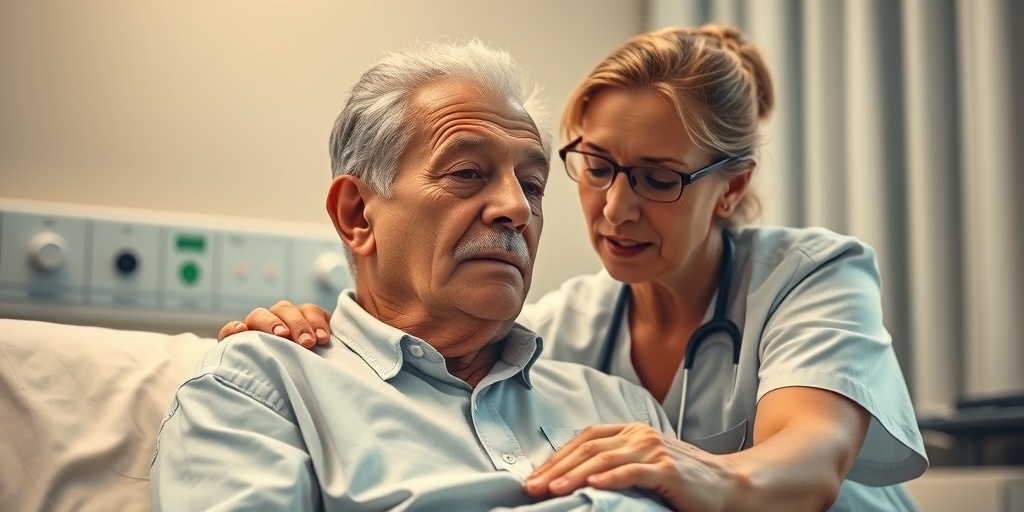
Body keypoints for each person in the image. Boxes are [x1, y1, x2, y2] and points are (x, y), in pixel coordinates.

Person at [221, 25, 929, 511]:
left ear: (732, 189)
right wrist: (312, 337)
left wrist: (703, 473)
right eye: (596, 166)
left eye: (658, 179)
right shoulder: (561, 329)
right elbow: (427, 348)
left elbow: (814, 457)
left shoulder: (808, 276)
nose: (616, 210)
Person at [151, 39, 679, 511]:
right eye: (467, 173)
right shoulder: (260, 387)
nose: (516, 208)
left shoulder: (623, 409)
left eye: (534, 185)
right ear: (357, 215)